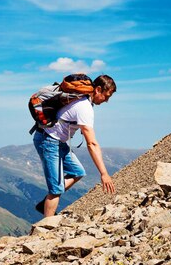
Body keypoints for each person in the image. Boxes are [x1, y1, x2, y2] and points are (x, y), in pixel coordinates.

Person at [33, 74, 117, 217]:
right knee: (55, 191)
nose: (107, 101)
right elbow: (91, 143)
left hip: (57, 141)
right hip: (49, 141)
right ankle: (44, 229)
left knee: (78, 172)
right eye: (106, 96)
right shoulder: (84, 107)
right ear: (97, 90)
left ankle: (46, 202)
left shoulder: (82, 101)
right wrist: (104, 174)